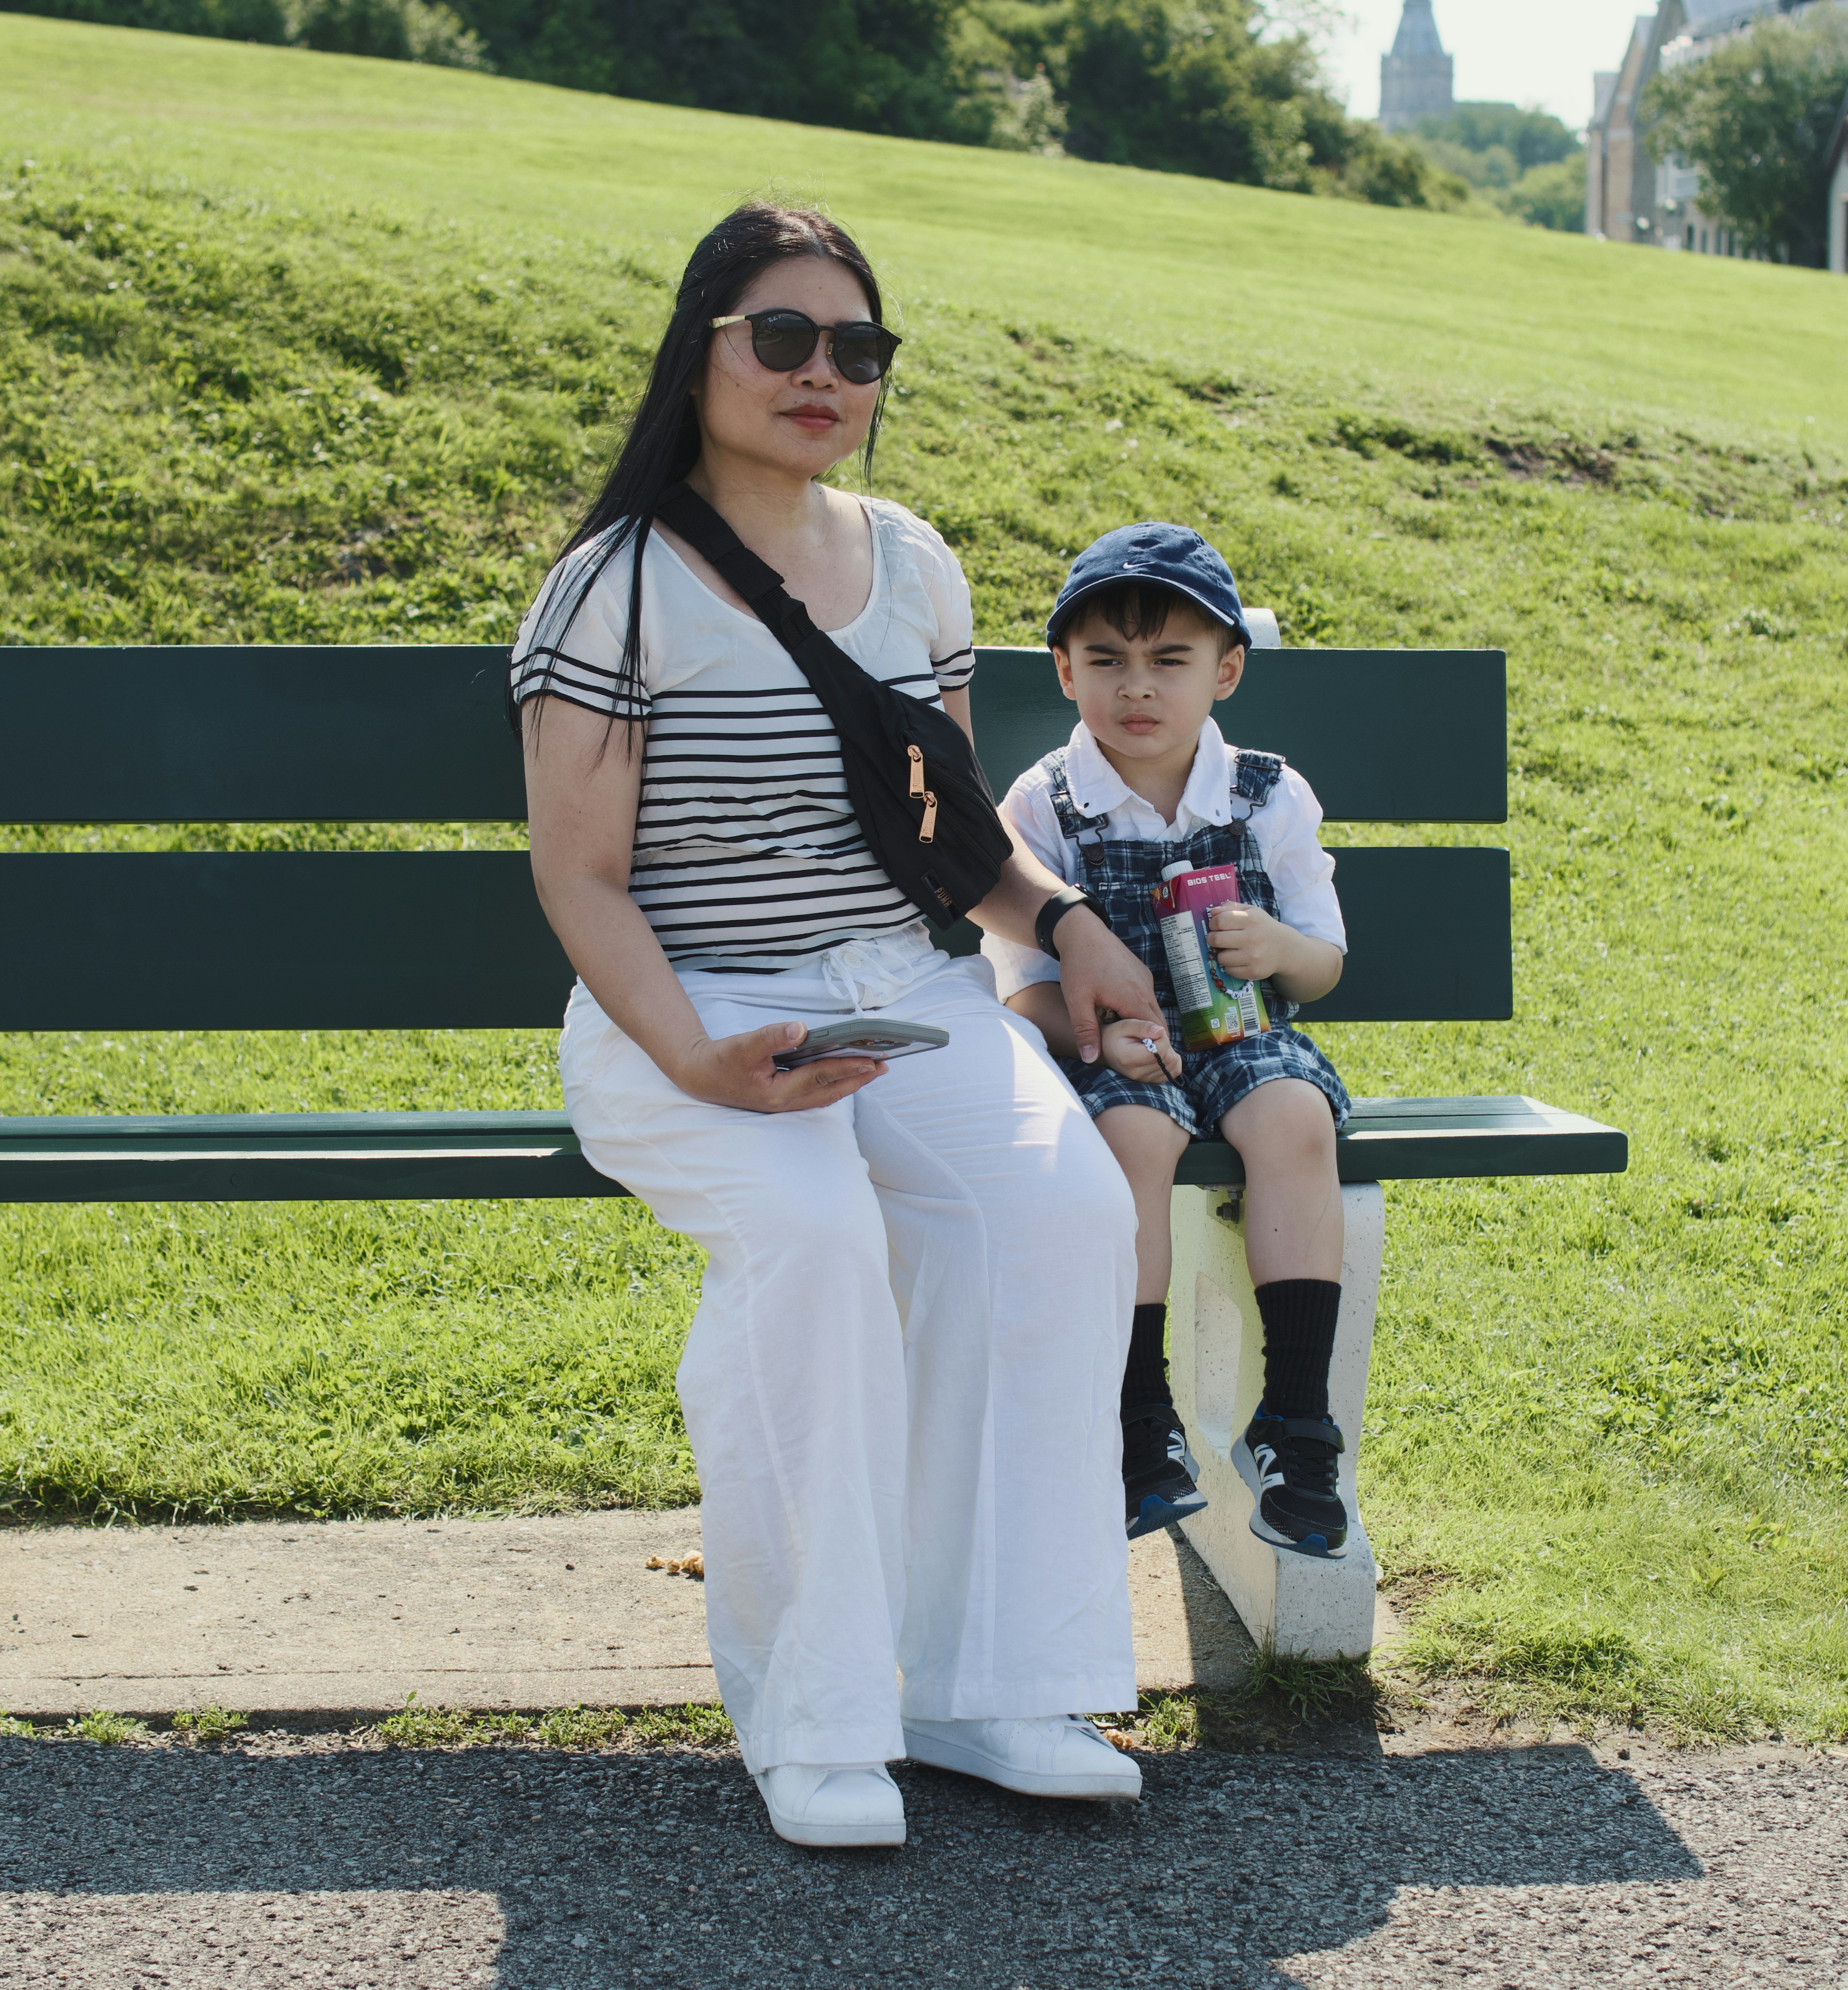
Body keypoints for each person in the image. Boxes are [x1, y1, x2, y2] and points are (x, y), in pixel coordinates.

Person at [513, 203, 1170, 1850]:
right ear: (704, 351)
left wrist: (1068, 928)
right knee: (808, 1240)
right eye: (783, 339)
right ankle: (812, 1715)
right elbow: (585, 882)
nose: (823, 374)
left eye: (856, 350)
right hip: (691, 1013)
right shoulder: (615, 587)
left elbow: (946, 840)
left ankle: (987, 1684)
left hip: (910, 1002)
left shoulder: (913, 564)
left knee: (1059, 1211)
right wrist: (691, 1059)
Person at [981, 526, 1355, 1559]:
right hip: (1116, 1050)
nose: (1135, 688)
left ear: (1225, 670)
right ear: (1064, 671)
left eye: (1169, 661)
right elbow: (1022, 987)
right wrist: (1102, 1031)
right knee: (1134, 1145)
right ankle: (1139, 1423)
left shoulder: (1267, 793)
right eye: (1105, 660)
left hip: (1240, 1035)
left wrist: (1277, 944)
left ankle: (1294, 1423)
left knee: (1292, 1114)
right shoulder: (1042, 804)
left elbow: (1322, 963)